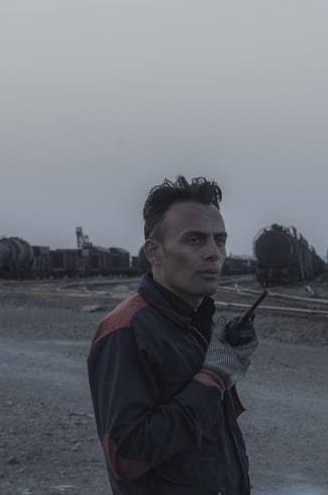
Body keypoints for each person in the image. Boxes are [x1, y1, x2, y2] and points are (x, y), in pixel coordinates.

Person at [87, 176, 259, 494]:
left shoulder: (192, 324)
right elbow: (127, 457)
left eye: (219, 240)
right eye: (194, 240)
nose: (213, 254)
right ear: (154, 252)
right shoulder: (128, 329)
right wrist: (213, 378)